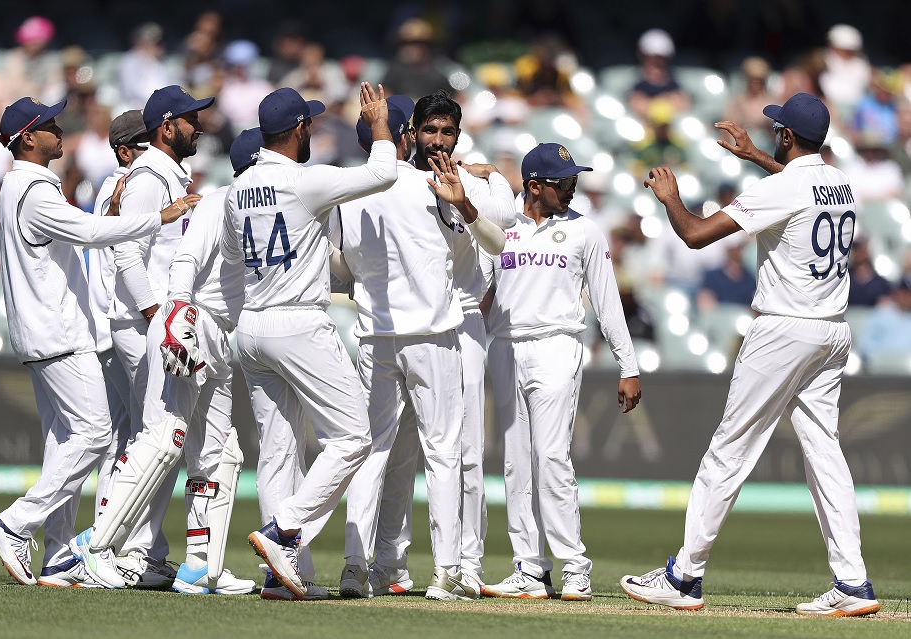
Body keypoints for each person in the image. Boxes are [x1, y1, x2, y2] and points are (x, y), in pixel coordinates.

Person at [620, 93, 881, 617]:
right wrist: (756, 159)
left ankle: (684, 576)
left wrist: (670, 197)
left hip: (782, 331)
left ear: (786, 137)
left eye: (776, 132)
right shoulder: (843, 182)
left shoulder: (781, 186)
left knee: (730, 447)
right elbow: (800, 189)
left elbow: (694, 236)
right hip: (831, 331)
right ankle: (852, 582)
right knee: (824, 453)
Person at [0, 96, 192, 588]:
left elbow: (79, 230)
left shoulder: (17, 188)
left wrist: (114, 214)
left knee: (63, 443)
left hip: (40, 333)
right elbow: (91, 232)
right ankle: (17, 523)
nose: (62, 131)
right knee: (96, 435)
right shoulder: (32, 188)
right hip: (60, 331)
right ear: (27, 139)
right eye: (50, 126)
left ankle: (57, 555)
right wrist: (159, 218)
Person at [332, 93, 510, 600]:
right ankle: (448, 571)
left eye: (446, 132)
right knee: (444, 451)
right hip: (431, 334)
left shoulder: (353, 188)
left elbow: (341, 264)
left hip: (373, 334)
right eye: (428, 132)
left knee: (371, 452)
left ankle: (354, 566)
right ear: (408, 133)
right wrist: (463, 204)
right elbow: (482, 249)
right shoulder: (434, 187)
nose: (436, 142)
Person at [223, 83, 396, 601]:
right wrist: (380, 124)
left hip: (251, 325)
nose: (313, 131)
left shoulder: (236, 189)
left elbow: (235, 256)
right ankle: (284, 532)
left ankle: (281, 576)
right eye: (310, 125)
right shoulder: (305, 181)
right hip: (298, 323)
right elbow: (383, 173)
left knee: (277, 454)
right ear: (297, 130)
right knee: (353, 437)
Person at [74, 130, 262, 595]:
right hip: (186, 326)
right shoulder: (219, 202)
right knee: (163, 439)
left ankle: (200, 566)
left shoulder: (252, 207)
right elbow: (181, 263)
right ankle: (94, 546)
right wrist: (174, 316)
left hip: (217, 337)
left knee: (218, 453)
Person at [480, 143, 641, 601]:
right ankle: (529, 569)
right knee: (515, 463)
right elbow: (484, 294)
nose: (573, 188)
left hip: (556, 345)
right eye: (563, 182)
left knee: (551, 458)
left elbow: (607, 305)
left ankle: (575, 567)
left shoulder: (584, 231)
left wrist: (628, 365)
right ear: (534, 186)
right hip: (505, 347)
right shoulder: (499, 224)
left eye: (573, 180)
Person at [101, 85, 215, 589]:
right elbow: (125, 252)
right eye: (191, 119)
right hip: (141, 322)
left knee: (156, 438)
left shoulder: (170, 173)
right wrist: (154, 314)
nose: (200, 126)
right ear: (167, 126)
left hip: (156, 320)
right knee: (155, 438)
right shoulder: (149, 176)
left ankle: (142, 551)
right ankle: (122, 550)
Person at [88, 111, 150, 526]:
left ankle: (103, 538)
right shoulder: (125, 185)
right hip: (123, 323)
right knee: (142, 439)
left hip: (111, 325)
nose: (153, 150)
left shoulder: (122, 184)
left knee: (121, 440)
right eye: (144, 144)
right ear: (124, 151)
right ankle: (116, 544)